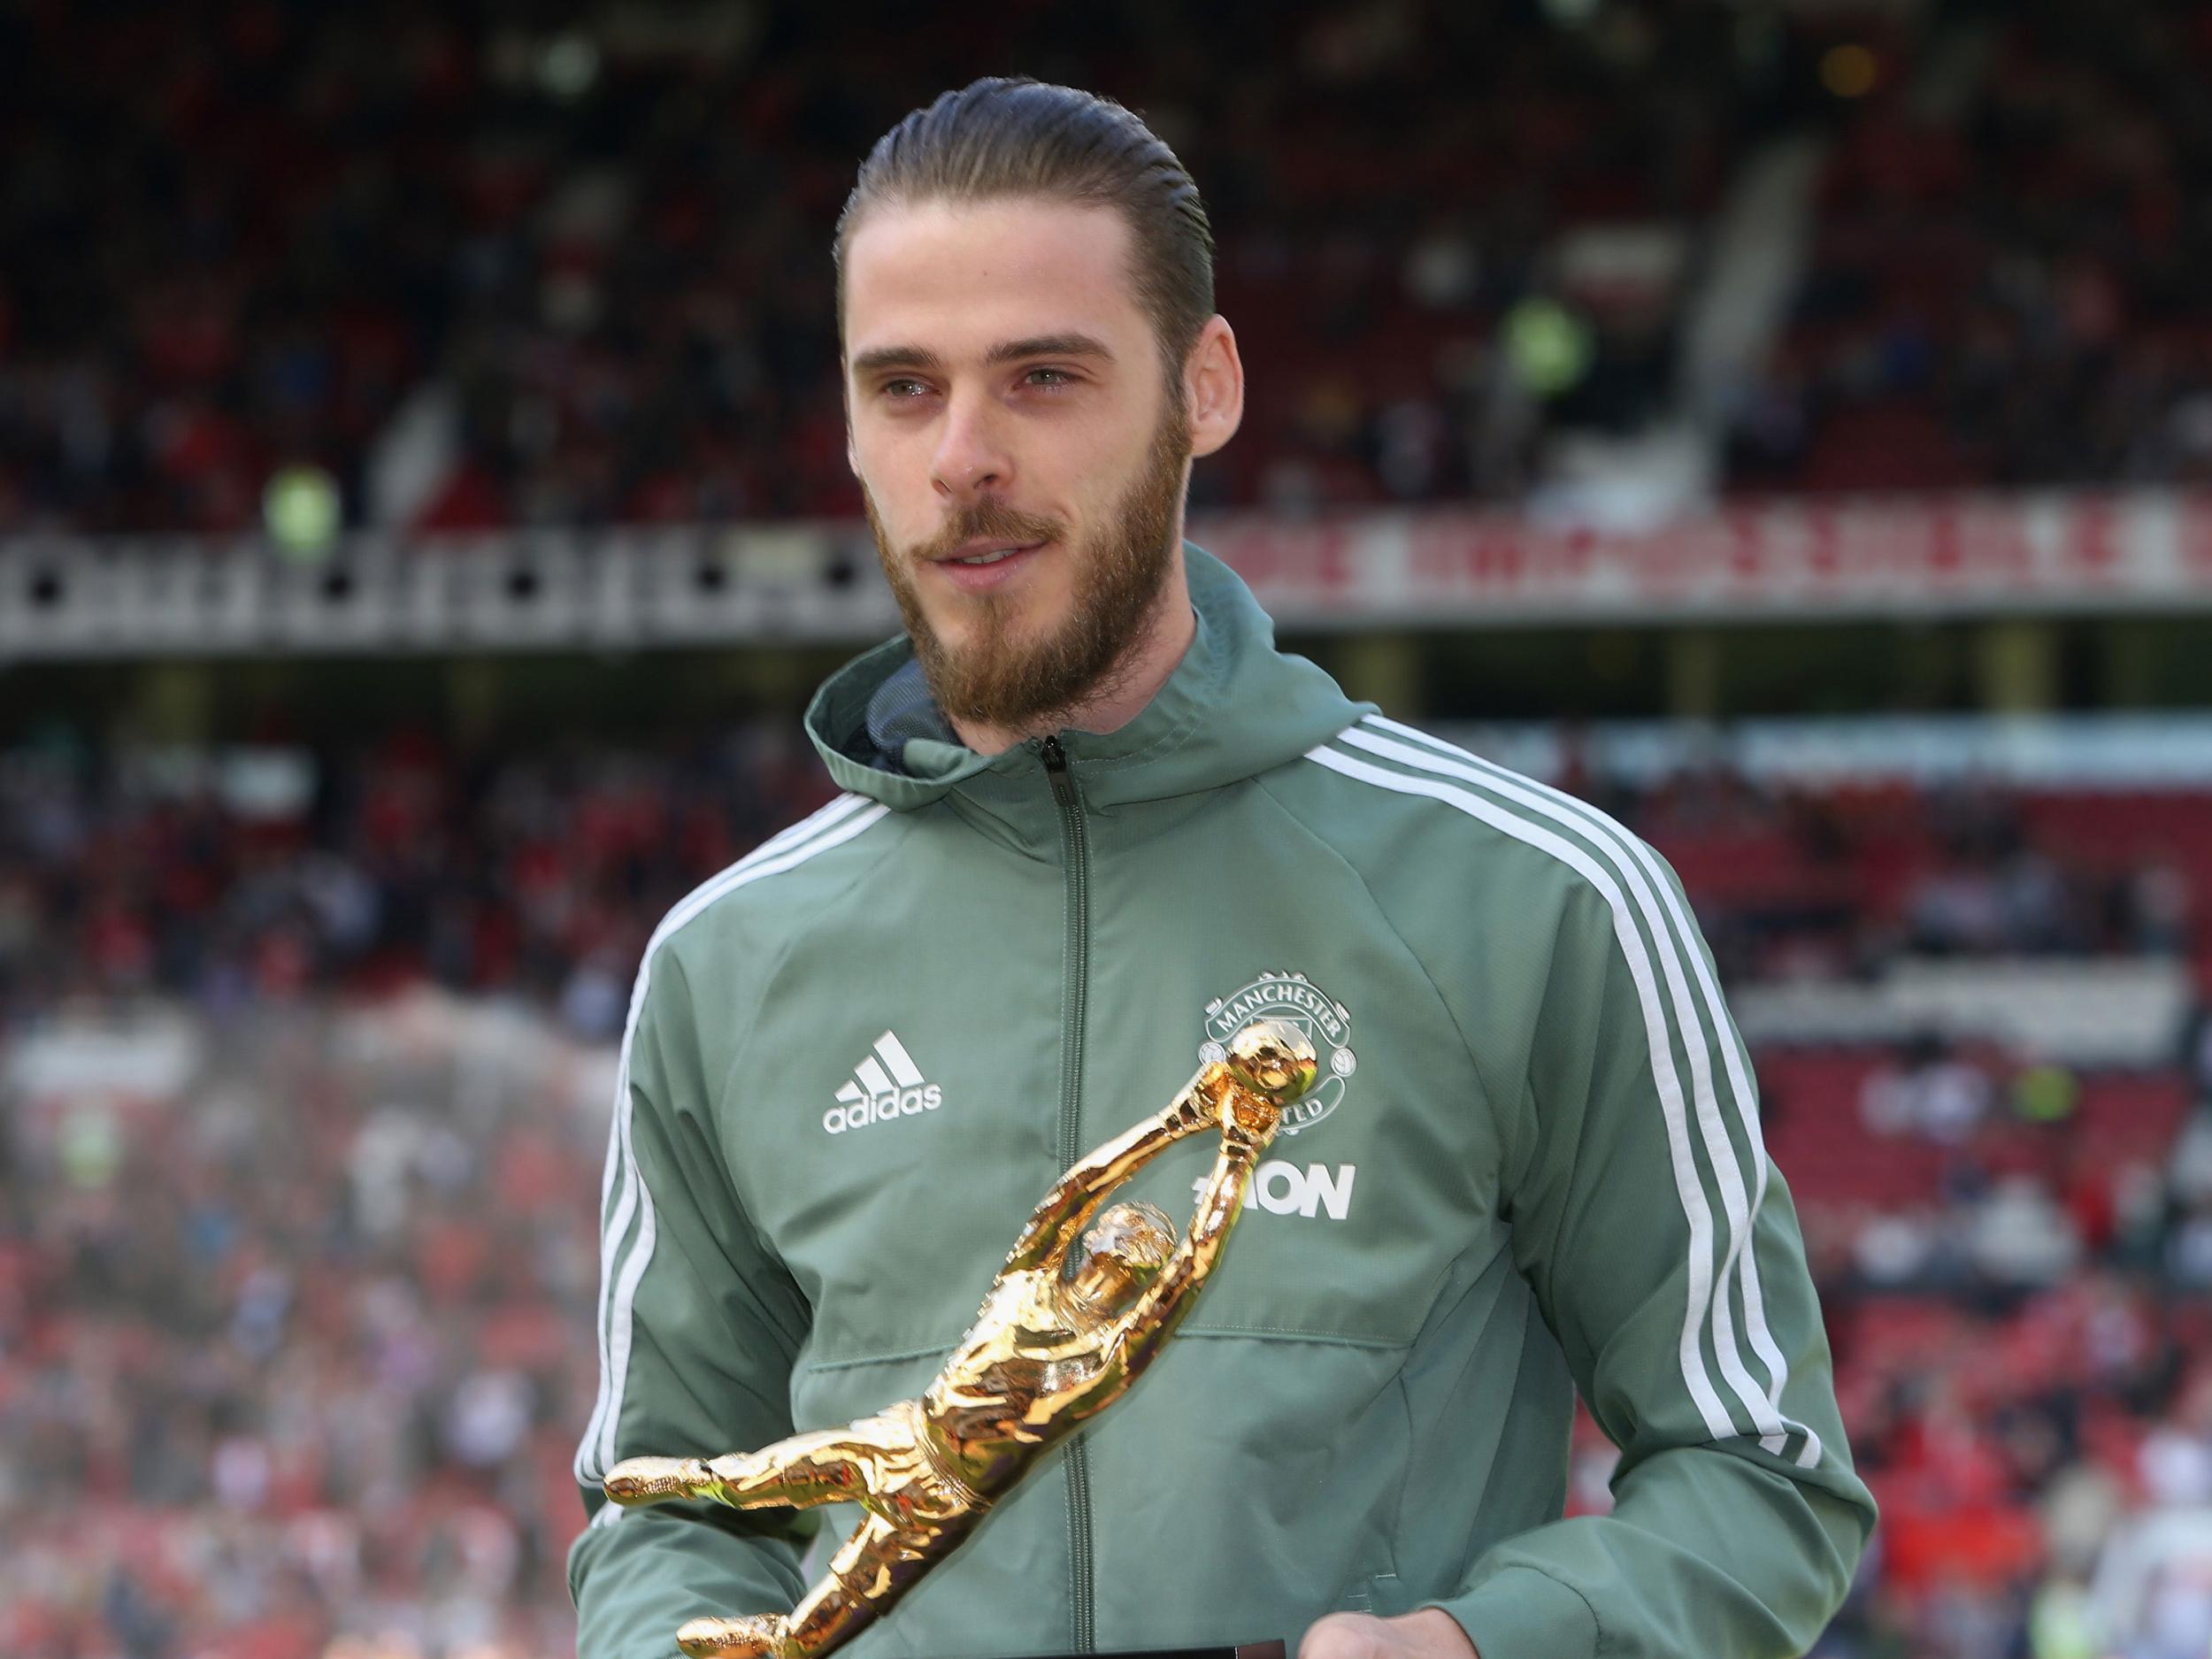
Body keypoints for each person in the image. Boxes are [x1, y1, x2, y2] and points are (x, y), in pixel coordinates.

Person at [569, 76, 1876, 1659]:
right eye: (903, 389)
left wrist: (1485, 1648)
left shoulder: (1539, 899)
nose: (962, 458)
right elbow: (670, 1515)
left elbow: (1765, 1476)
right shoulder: (728, 963)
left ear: (1206, 386)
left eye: (1043, 378)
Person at [597, 1023, 1305, 1657]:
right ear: (1099, 1242)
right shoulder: (1029, 1285)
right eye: (1122, 1237)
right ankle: (690, 1479)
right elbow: (1079, 1188)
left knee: (844, 1606)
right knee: (764, 1475)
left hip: (954, 1497)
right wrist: (1181, 1118)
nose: (1125, 1251)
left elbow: (1193, 1266)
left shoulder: (1106, 1357)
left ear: (1138, 1272)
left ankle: (774, 1642)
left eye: (1138, 1254)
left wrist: (1239, 1151)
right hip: (906, 1437)